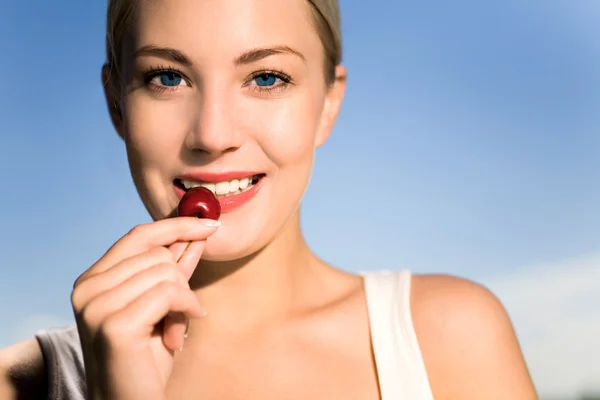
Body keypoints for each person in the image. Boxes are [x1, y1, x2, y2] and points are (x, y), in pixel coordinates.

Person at [0, 0, 539, 399]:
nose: (212, 134)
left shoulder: (449, 336)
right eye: (167, 77)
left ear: (328, 103)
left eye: (265, 78)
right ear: (117, 104)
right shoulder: (22, 384)